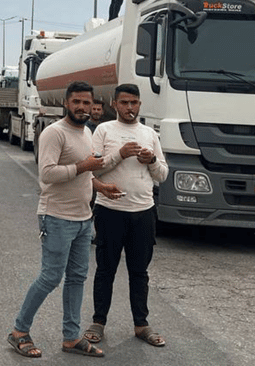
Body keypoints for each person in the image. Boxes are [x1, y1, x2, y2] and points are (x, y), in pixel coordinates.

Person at [8, 81, 107, 358]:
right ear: (66, 103)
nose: (82, 107)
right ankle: (19, 331)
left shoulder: (87, 132)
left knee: (76, 278)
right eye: (76, 102)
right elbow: (48, 174)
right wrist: (84, 166)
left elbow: (85, 175)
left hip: (83, 218)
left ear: (93, 105)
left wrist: (101, 187)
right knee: (51, 277)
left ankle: (71, 338)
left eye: (86, 102)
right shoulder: (54, 133)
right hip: (56, 217)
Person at [83, 84, 168, 348]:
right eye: (124, 102)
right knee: (105, 269)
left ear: (140, 104)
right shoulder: (104, 130)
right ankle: (98, 322)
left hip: (143, 212)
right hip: (110, 212)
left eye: (134, 103)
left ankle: (141, 325)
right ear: (114, 104)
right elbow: (93, 170)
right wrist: (120, 155)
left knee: (139, 272)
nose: (129, 107)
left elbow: (163, 175)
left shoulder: (149, 133)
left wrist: (151, 160)